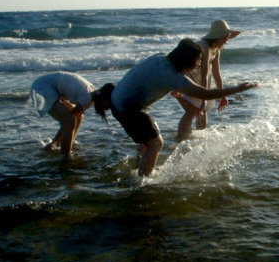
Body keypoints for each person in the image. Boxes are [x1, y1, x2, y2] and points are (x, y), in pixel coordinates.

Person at [110, 38, 257, 176]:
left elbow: (150, 77)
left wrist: (171, 88)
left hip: (117, 100)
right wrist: (238, 89)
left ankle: (139, 169)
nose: (199, 64)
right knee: (156, 143)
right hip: (127, 108)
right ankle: (142, 182)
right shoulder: (172, 75)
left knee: (147, 139)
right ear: (187, 60)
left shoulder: (161, 58)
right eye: (197, 60)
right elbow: (205, 94)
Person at [173, 19, 242, 139]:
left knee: (201, 111)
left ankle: (198, 139)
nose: (227, 41)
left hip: (198, 82)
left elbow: (216, 73)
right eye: (226, 37)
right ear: (218, 36)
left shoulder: (216, 49)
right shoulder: (203, 47)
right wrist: (204, 97)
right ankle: (181, 138)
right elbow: (204, 73)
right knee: (191, 111)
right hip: (184, 79)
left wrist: (222, 96)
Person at [30, 72, 115, 158]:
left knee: (78, 117)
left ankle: (66, 143)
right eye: (110, 103)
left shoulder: (92, 94)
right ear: (104, 97)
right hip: (42, 87)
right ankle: (66, 156)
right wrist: (55, 142)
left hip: (48, 86)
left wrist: (54, 142)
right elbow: (68, 122)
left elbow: (72, 119)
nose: (108, 108)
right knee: (70, 120)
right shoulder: (87, 96)